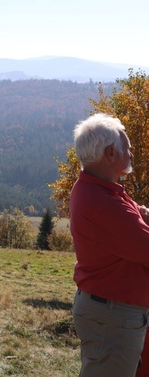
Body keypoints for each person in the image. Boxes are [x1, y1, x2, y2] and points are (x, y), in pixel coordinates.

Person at [70, 113, 149, 376]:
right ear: (111, 153)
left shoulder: (98, 188)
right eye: (127, 147)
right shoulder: (104, 204)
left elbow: (135, 215)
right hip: (114, 318)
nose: (132, 152)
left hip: (112, 312)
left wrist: (141, 215)